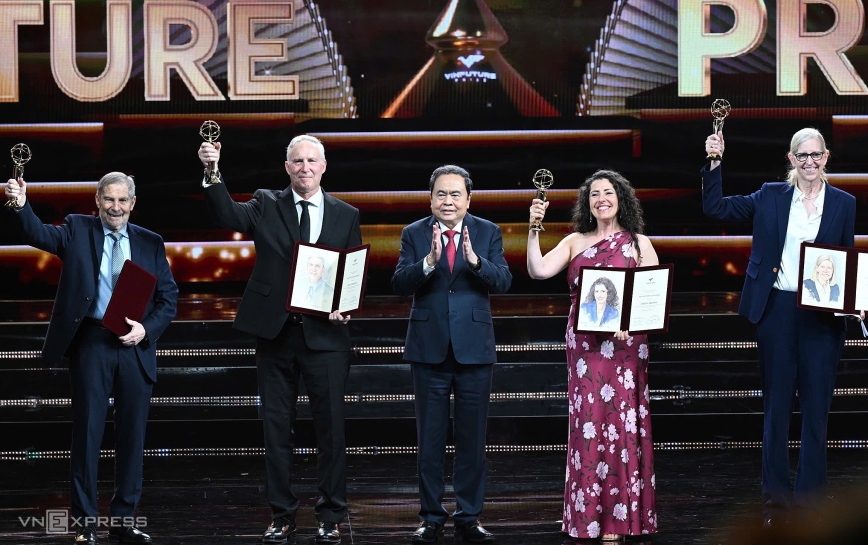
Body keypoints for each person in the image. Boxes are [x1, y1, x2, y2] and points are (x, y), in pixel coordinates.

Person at [198, 135, 361, 544]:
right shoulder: (266, 203)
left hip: (326, 336)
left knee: (331, 431)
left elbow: (352, 270)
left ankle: (330, 515)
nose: (305, 167)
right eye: (297, 161)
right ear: (287, 167)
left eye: (312, 160)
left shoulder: (346, 214)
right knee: (276, 430)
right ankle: (281, 514)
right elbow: (228, 214)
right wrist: (212, 170)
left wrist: (346, 305)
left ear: (324, 166)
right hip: (275, 333)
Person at [4, 173, 178, 545]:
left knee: (132, 437)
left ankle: (124, 521)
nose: (116, 207)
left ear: (133, 203)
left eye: (122, 200)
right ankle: (86, 523)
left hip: (134, 346)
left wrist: (146, 330)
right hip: (92, 343)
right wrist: (21, 204)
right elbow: (38, 234)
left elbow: (168, 299)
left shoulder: (150, 242)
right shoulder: (77, 229)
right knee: (87, 435)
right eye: (109, 199)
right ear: (97, 201)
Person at [702, 127, 857, 526]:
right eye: (802, 156)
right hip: (777, 312)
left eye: (816, 155)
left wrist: (854, 300)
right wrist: (715, 160)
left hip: (821, 316)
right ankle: (776, 506)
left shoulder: (844, 203)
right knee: (777, 410)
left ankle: (811, 507)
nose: (809, 162)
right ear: (791, 159)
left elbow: (846, 260)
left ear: (826, 157)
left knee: (816, 413)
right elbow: (716, 208)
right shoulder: (770, 195)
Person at [527, 169, 659, 541]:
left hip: (625, 348)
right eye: (594, 194)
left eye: (609, 192)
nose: (602, 199)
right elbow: (538, 271)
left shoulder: (638, 244)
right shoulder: (575, 241)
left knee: (621, 424)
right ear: (587, 203)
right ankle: (587, 519)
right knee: (589, 423)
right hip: (585, 349)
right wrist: (534, 229)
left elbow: (652, 293)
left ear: (622, 198)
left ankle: (618, 521)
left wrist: (631, 321)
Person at [391, 165, 512, 544]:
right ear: (431, 199)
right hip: (428, 349)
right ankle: (430, 517)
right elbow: (399, 283)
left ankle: (469, 516)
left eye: (455, 194)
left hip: (474, 349)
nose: (448, 201)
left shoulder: (487, 231)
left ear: (468, 199)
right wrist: (428, 262)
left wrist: (476, 262)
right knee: (429, 441)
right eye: (441, 194)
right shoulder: (413, 233)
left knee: (472, 441)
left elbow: (504, 281)